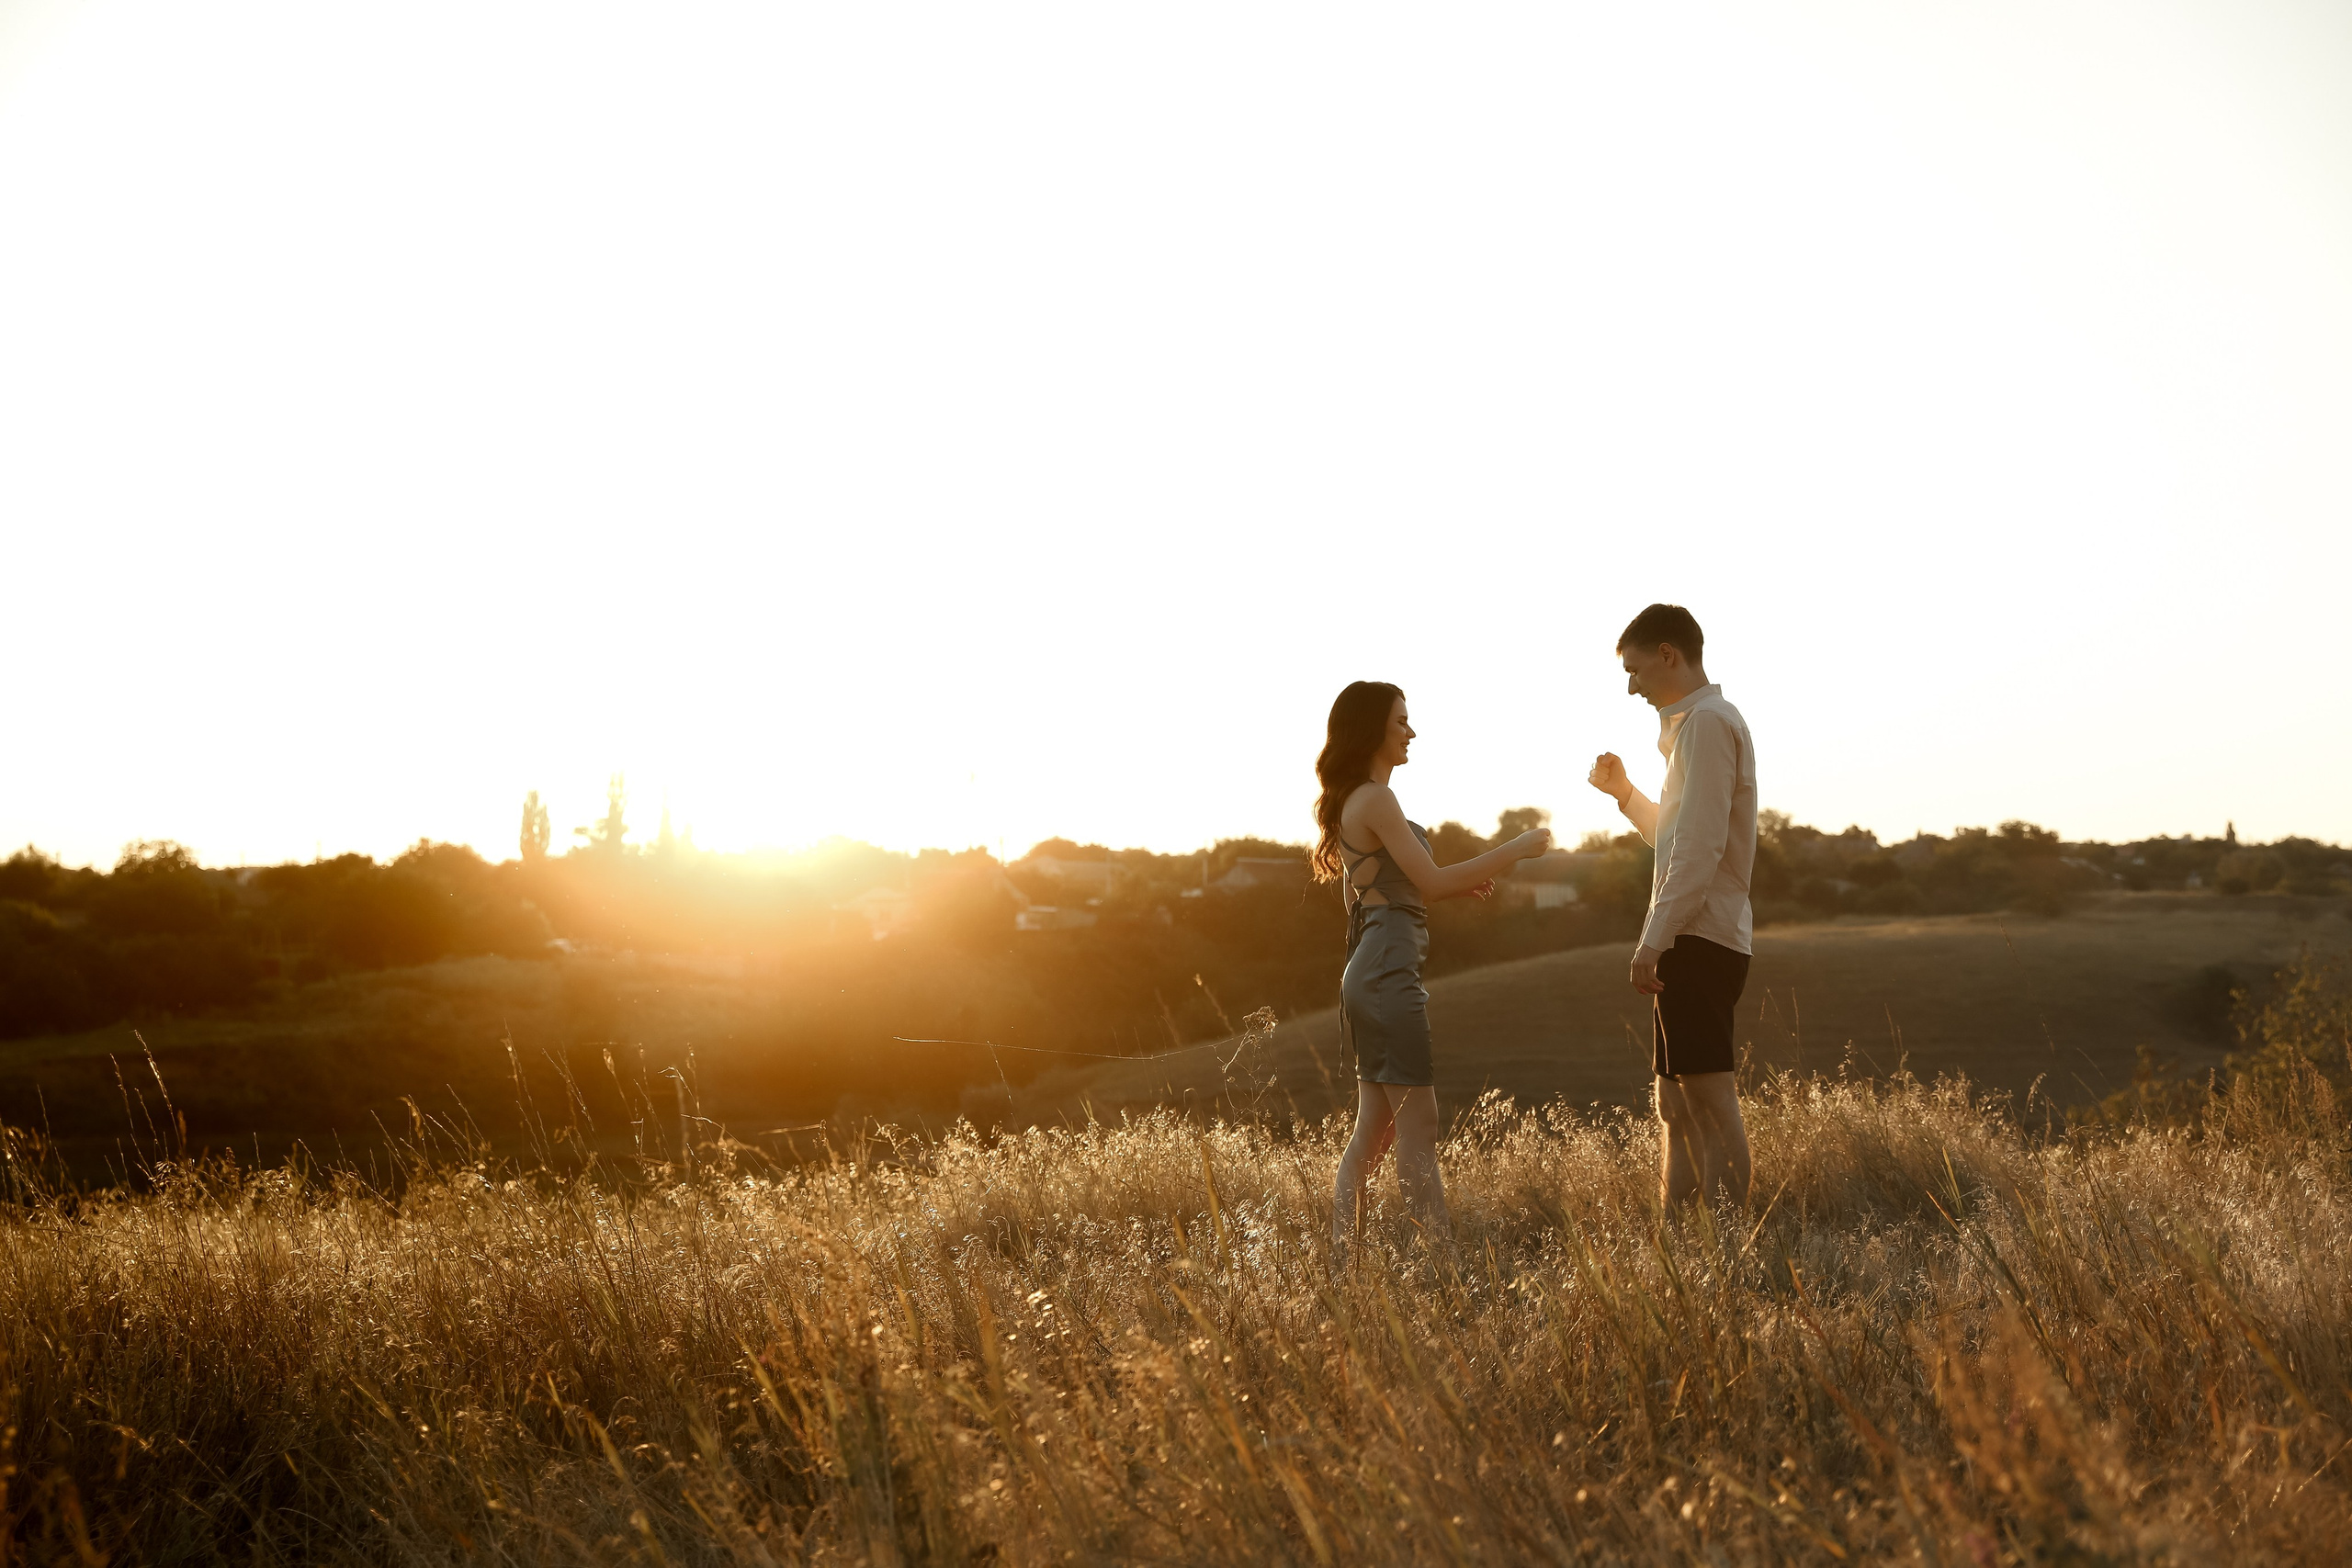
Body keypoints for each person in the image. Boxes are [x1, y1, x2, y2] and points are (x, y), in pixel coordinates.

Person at [1313, 681, 1552, 1259]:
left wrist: (1444, 892)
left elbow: (1384, 894)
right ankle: (1441, 1266)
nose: (1411, 732)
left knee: (1376, 1127)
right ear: (1372, 730)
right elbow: (1434, 880)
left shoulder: (1357, 802)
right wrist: (1517, 847)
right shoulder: (1374, 799)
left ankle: (1346, 1263)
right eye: (1401, 722)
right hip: (1389, 970)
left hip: (1373, 965)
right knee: (1418, 1123)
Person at [1587, 604, 1758, 1212]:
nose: (1631, 684)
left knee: (1708, 1100)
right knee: (1675, 1104)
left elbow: (1701, 848)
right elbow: (1677, 835)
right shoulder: (1693, 727)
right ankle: (1679, 1241)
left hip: (1700, 937)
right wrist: (1627, 795)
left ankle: (1727, 1249)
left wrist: (1652, 940)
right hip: (1691, 934)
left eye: (1634, 669)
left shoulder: (1709, 724)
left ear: (1667, 654)